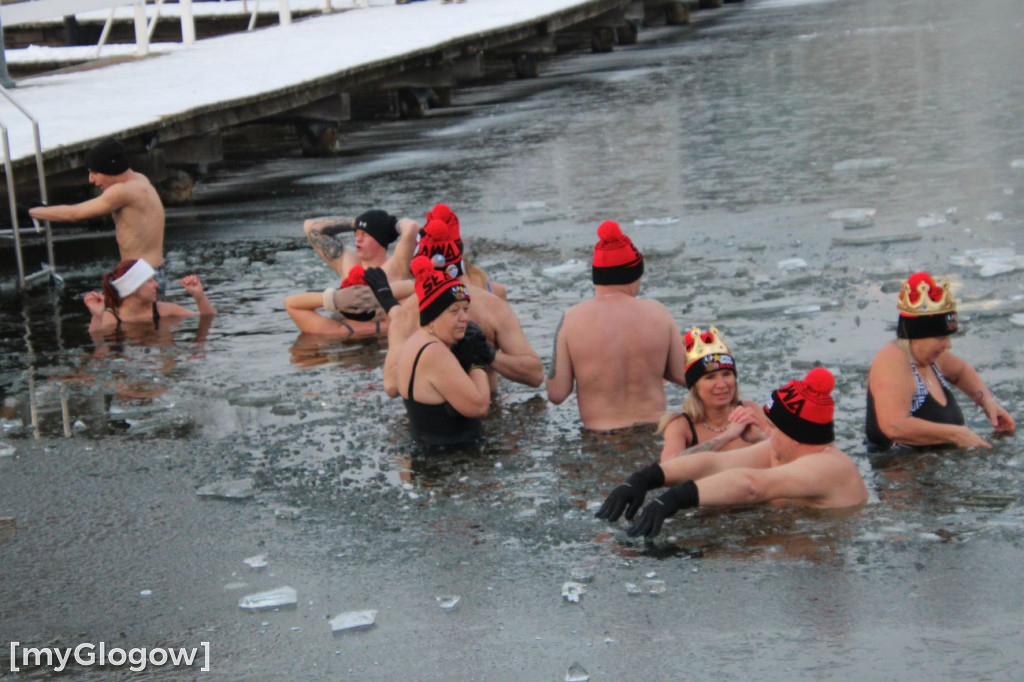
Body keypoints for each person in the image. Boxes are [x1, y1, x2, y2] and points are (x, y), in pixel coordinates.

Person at [596, 368, 868, 538]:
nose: (767, 432)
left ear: (796, 435)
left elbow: (752, 486)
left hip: (816, 556)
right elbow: (716, 463)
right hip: (785, 535)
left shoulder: (827, 467)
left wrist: (676, 498)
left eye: (773, 427)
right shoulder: (780, 449)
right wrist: (646, 478)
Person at [546, 220, 688, 431]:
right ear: (634, 275)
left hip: (600, 438)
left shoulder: (572, 320)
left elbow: (556, 394)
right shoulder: (658, 313)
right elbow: (683, 375)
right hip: (654, 433)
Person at [377, 218, 544, 395]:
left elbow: (535, 375)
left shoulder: (491, 306)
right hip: (465, 407)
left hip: (477, 405)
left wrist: (487, 354)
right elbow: (391, 385)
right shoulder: (408, 314)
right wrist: (432, 353)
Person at [865, 271, 1015, 451]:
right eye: (941, 337)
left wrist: (986, 400)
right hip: (899, 464)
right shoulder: (892, 361)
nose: (948, 345)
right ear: (917, 336)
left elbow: (961, 372)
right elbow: (894, 426)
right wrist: (957, 434)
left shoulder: (933, 358)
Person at [30, 138, 167, 290]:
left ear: (110, 168)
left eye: (94, 172)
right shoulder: (140, 180)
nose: (91, 180)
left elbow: (74, 214)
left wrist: (31, 212)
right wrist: (45, 210)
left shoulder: (123, 191)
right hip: (152, 272)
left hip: (140, 277)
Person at [393, 255, 493, 446]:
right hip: (452, 459)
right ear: (432, 316)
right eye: (454, 311)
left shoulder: (416, 340)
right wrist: (476, 362)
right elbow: (480, 407)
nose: (464, 318)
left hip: (430, 454)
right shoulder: (434, 352)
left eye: (466, 309)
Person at [657, 325, 768, 461]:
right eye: (710, 377)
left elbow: (786, 453)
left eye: (726, 374)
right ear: (694, 386)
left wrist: (759, 439)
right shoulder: (681, 425)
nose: (722, 384)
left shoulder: (750, 410)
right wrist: (728, 435)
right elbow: (668, 465)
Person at [83, 258, 215, 333]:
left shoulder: (164, 310)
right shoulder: (110, 318)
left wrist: (199, 297)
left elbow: (207, 318)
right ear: (133, 288)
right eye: (150, 281)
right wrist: (96, 316)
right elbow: (97, 347)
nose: (156, 285)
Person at [283, 265, 406, 338]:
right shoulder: (392, 324)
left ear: (341, 307)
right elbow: (413, 287)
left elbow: (290, 304)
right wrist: (381, 294)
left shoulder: (332, 331)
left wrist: (333, 298)